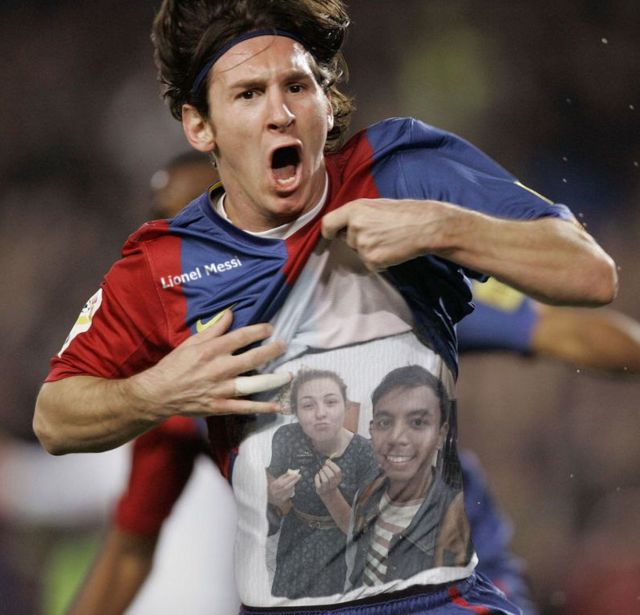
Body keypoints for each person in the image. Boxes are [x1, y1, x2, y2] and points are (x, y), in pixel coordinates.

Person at [33, 1, 618, 613]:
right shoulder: (164, 263)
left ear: (326, 101)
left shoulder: (397, 173)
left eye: (297, 86)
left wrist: (441, 225)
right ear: (200, 126)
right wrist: (156, 391)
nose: (281, 113)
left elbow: (589, 273)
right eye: (249, 94)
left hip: (436, 600)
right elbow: (55, 417)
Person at [349, 365, 470, 587]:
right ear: (372, 430)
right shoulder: (366, 497)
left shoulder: (458, 522)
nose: (397, 438)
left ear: (441, 435)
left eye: (417, 423)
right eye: (384, 423)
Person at [266, 369, 378, 598]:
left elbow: (359, 531)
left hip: (338, 546)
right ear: (296, 412)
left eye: (331, 402)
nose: (320, 413)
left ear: (346, 406)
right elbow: (271, 481)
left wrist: (330, 495)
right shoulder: (286, 437)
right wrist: (273, 495)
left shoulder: (365, 453)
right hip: (293, 536)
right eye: (308, 405)